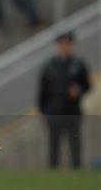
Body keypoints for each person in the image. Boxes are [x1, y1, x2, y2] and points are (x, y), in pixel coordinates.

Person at [38, 31, 90, 169]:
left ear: (71, 45)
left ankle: (77, 174)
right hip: (54, 112)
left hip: (72, 111)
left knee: (75, 146)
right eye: (61, 44)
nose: (64, 47)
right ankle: (53, 175)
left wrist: (78, 90)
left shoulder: (78, 64)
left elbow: (87, 86)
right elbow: (42, 91)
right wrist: (42, 111)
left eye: (67, 44)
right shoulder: (49, 65)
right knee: (53, 147)